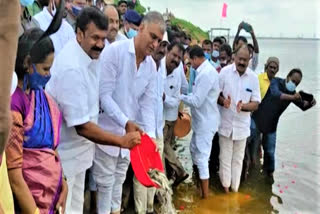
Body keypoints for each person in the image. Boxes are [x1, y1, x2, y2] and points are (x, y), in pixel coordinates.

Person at [46, 7, 140, 213]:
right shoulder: (72, 67)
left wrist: (125, 123)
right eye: (95, 38)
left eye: (103, 38)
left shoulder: (92, 54)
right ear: (79, 34)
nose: (100, 44)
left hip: (79, 157)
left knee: (77, 208)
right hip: (64, 158)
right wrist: (121, 141)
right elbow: (82, 127)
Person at [93, 11, 165, 214]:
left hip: (130, 139)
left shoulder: (151, 66)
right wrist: (125, 122)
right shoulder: (115, 52)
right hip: (107, 133)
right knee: (105, 185)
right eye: (152, 37)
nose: (155, 44)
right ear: (140, 28)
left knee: (118, 183)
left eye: (159, 40)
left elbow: (148, 104)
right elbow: (104, 96)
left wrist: (150, 139)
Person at [6, 1, 69, 213]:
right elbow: (15, 176)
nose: (48, 75)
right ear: (27, 63)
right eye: (44, 69)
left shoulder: (40, 97)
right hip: (27, 203)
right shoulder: (14, 106)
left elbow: (52, 151)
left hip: (50, 196)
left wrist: (63, 182)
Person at [252, 68, 316, 177]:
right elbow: (276, 94)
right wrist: (292, 97)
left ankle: (269, 177)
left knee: (270, 152)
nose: (294, 84)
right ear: (288, 77)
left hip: (271, 126)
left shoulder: (293, 93)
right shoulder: (275, 81)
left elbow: (303, 107)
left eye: (297, 83)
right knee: (251, 147)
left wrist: (311, 103)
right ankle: (249, 170)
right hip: (257, 120)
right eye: (293, 80)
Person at [133, 33, 170, 214]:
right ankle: (141, 211)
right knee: (140, 174)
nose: (162, 49)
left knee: (155, 173)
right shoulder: (140, 65)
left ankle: (149, 209)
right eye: (159, 44)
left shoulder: (161, 67)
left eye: (165, 46)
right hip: (140, 129)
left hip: (157, 130)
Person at [218, 45, 261, 193]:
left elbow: (256, 104)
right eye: (240, 59)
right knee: (225, 157)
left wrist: (243, 107)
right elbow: (215, 94)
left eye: (245, 60)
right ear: (234, 57)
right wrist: (223, 101)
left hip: (242, 127)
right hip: (225, 124)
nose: (242, 62)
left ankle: (234, 190)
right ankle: (225, 189)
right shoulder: (224, 73)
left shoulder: (253, 78)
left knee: (238, 159)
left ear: (249, 60)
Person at [180, 45, 220, 199]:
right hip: (200, 121)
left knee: (202, 158)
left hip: (206, 122)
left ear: (196, 58)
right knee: (193, 150)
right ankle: (198, 186)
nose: (190, 64)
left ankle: (205, 196)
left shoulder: (206, 73)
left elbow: (196, 101)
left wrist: (179, 96)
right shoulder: (201, 71)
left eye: (190, 61)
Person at [162, 42, 189, 187]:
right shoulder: (159, 65)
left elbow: (183, 90)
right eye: (174, 55)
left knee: (164, 147)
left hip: (168, 117)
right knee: (166, 147)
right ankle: (172, 174)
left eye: (179, 57)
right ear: (167, 51)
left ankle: (178, 171)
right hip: (164, 116)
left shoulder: (177, 69)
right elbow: (185, 88)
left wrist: (166, 98)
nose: (176, 59)